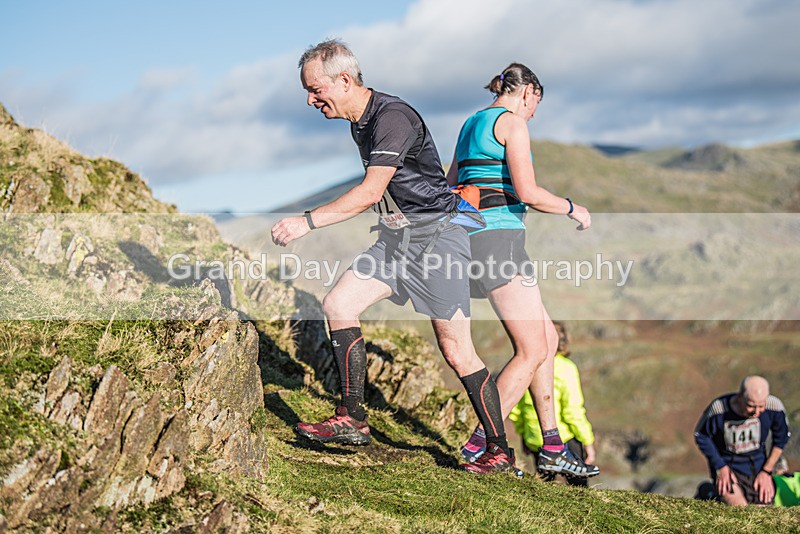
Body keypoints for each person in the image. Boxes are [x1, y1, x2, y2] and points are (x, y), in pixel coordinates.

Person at [271, 39, 517, 474]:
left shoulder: (391, 117)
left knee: (457, 350)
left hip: (439, 241)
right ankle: (353, 419)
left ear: (344, 80)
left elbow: (369, 192)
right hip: (396, 243)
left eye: (315, 90)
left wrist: (306, 222)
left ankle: (499, 451)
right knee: (338, 304)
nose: (310, 100)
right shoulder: (358, 122)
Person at [447, 63, 598, 479]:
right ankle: (483, 444)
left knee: (546, 338)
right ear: (528, 92)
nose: (534, 113)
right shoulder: (512, 123)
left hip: (478, 241)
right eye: (536, 104)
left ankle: (551, 444)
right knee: (531, 349)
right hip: (500, 241)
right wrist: (572, 208)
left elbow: (451, 185)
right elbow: (528, 192)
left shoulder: (470, 123)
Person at [508, 321, 597, 486]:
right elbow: (572, 411)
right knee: (579, 487)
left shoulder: (527, 365)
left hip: (534, 438)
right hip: (564, 438)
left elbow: (517, 410)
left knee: (545, 485)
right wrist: (588, 442)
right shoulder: (566, 368)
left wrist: (524, 436)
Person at [694, 375, 790, 506]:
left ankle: (712, 495)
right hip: (728, 468)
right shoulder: (719, 409)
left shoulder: (775, 406)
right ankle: (708, 491)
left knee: (763, 515)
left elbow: (781, 438)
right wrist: (720, 466)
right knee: (740, 510)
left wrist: (766, 472)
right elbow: (701, 435)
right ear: (739, 397)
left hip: (759, 469)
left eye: (761, 406)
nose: (756, 412)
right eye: (751, 406)